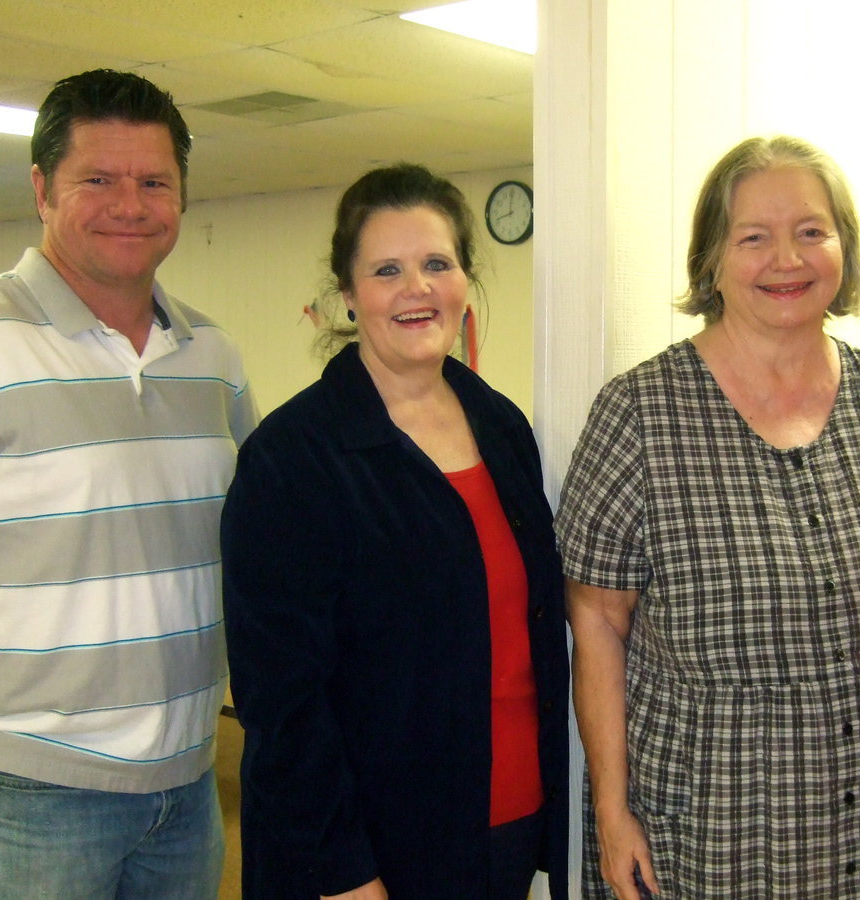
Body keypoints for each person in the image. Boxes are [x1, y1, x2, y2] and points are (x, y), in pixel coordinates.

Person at [557, 135, 860, 899]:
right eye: (753, 237)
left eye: (812, 231)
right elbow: (598, 623)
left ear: (845, 248)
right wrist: (611, 810)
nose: (788, 259)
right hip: (703, 835)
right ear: (711, 259)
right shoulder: (640, 415)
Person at [220, 163, 569, 900]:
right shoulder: (292, 460)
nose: (417, 289)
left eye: (436, 263)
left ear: (466, 279)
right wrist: (345, 872)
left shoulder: (502, 428)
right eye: (387, 270)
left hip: (502, 828)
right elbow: (284, 702)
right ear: (348, 295)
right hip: (366, 853)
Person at [0, 69, 257, 898]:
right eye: (97, 180)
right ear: (42, 189)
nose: (129, 204)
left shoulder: (215, 358)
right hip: (30, 796)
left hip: (189, 783)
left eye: (154, 181)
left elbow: (254, 547)